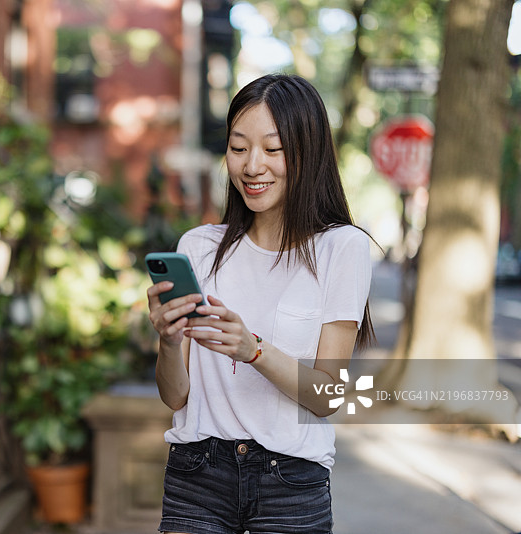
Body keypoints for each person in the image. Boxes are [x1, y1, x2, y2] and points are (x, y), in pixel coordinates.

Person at [146, 73, 375, 534]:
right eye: (238, 148)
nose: (252, 166)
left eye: (273, 150)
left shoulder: (342, 248)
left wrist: (252, 349)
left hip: (290, 483)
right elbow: (175, 396)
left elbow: (328, 396)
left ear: (307, 153)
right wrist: (169, 341)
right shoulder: (199, 247)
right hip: (197, 474)